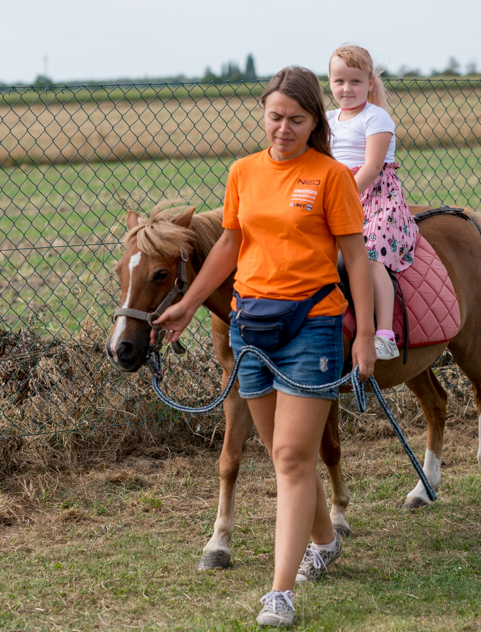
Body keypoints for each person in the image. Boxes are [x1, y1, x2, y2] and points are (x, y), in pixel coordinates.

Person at [152, 66, 376, 628]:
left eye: (296, 119)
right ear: (264, 115)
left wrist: (367, 334)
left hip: (313, 326)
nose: (283, 128)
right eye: (275, 116)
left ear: (314, 121)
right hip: (250, 326)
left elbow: (356, 260)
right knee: (284, 456)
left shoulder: (331, 177)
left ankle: (280, 592)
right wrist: (185, 304)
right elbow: (230, 243)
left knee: (294, 458)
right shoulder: (242, 173)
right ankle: (324, 543)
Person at [327, 44, 419, 361]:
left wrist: (340, 195)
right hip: (336, 193)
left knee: (369, 254)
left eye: (355, 81)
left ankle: (384, 334)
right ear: (329, 82)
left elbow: (372, 167)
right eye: (339, 81)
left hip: (376, 197)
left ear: (369, 83)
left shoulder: (376, 118)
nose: (346, 89)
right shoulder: (327, 120)